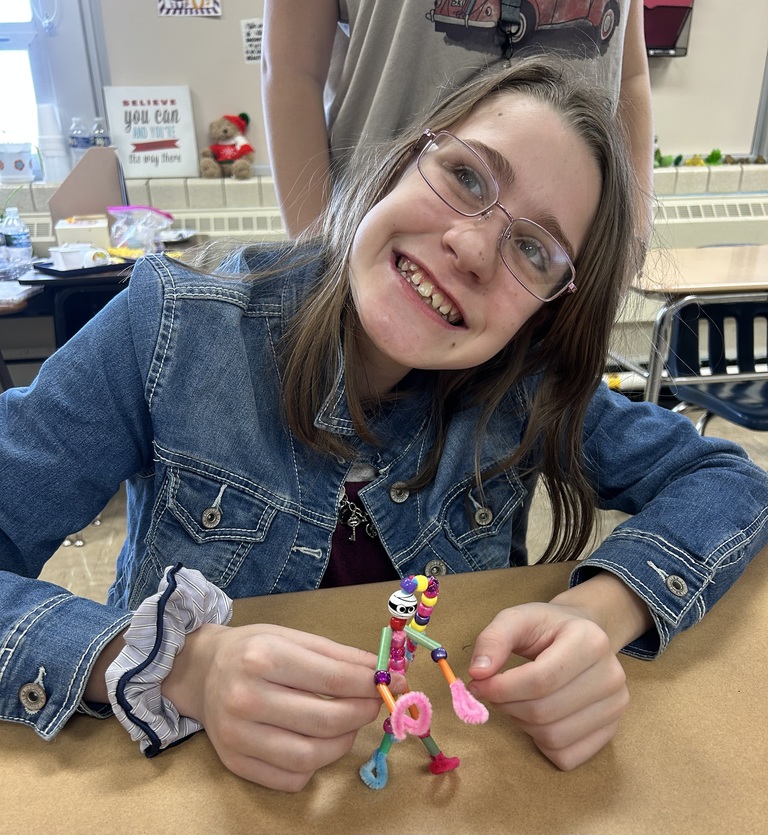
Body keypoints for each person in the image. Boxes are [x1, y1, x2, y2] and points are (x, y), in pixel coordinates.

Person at [2, 58, 766, 794]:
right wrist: (178, 666)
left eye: (533, 249)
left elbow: (728, 481)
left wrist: (598, 611)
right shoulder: (169, 331)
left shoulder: (522, 387)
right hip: (174, 810)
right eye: (467, 175)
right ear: (403, 161)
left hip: (437, 827)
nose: (470, 248)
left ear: (547, 311)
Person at [261, 0, 653, 246]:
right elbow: (290, 71)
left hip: (550, 282)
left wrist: (630, 242)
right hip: (372, 256)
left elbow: (630, 77)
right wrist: (315, 255)